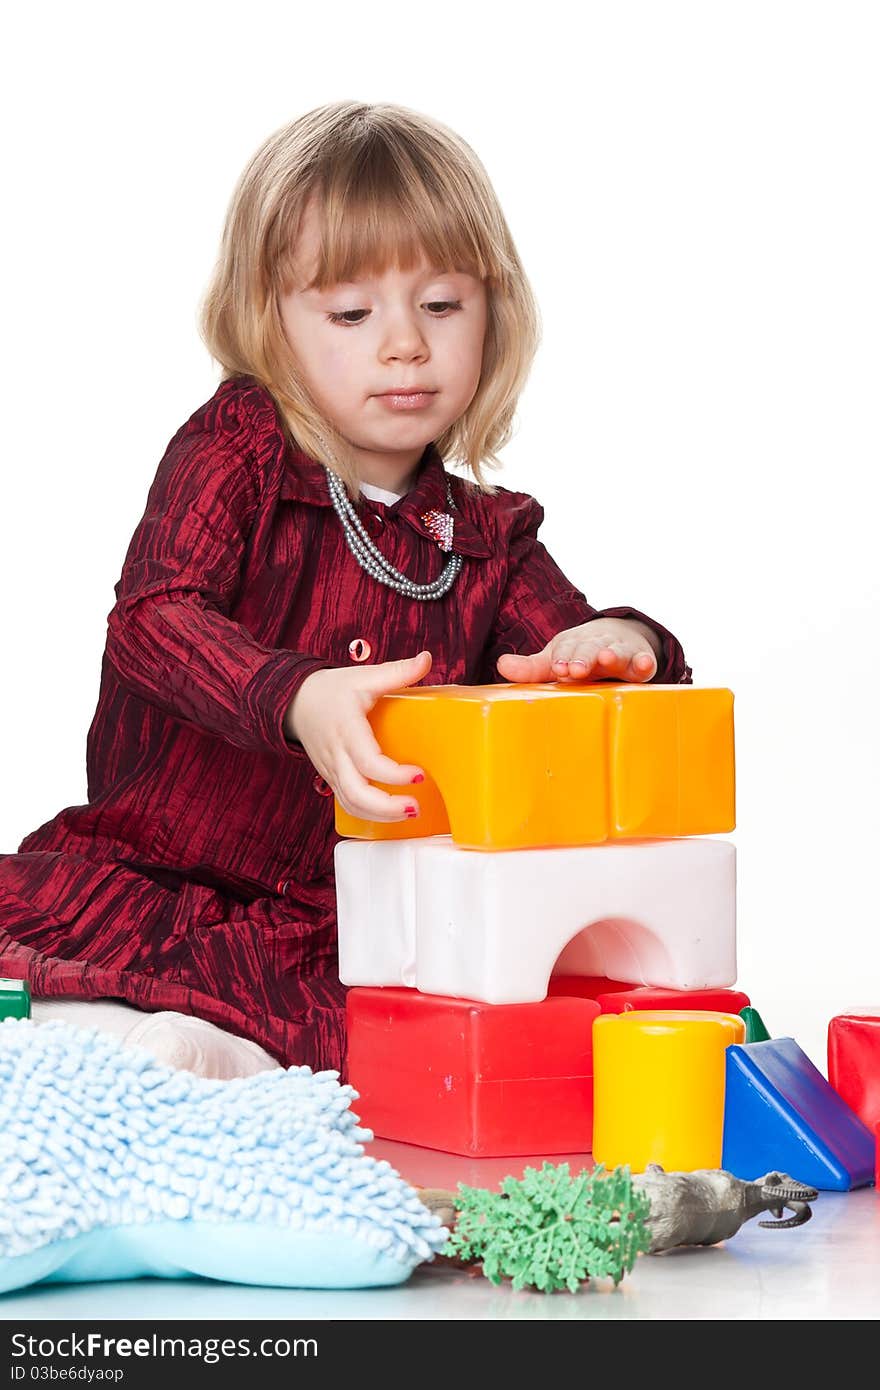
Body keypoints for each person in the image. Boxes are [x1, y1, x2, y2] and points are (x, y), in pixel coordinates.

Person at [0, 101, 692, 1082]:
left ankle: (193, 1066)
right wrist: (295, 694)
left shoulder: (485, 539)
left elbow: (573, 648)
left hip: (335, 929)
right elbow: (154, 616)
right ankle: (106, 1050)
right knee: (60, 952)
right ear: (270, 324)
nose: (404, 344)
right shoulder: (238, 448)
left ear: (493, 316)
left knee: (350, 1047)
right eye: (352, 313)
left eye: (442, 307)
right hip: (153, 871)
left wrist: (621, 644)